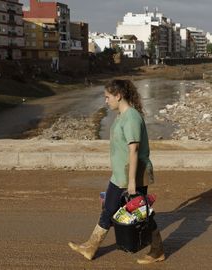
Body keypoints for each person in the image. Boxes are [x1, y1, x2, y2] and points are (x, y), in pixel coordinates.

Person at [68, 79, 165, 264]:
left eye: (108, 97)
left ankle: (157, 250)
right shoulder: (121, 116)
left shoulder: (131, 117)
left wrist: (131, 182)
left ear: (118, 95)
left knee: (140, 214)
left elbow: (134, 150)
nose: (106, 101)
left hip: (131, 176)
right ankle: (91, 247)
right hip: (120, 175)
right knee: (110, 210)